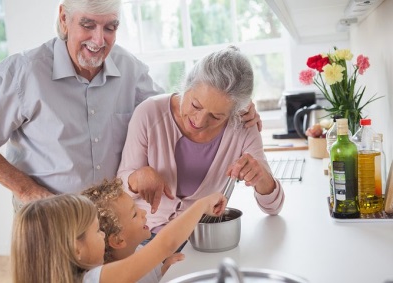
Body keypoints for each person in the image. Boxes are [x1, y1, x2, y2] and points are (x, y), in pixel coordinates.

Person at [0, 0, 261, 209]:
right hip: (50, 220)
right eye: (88, 25)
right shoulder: (25, 73)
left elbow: (175, 113)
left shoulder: (129, 69)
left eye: (110, 27)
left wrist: (238, 108)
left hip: (113, 223)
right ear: (63, 18)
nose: (99, 40)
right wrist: (28, 191)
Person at [117, 46, 285, 240]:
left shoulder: (243, 125)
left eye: (216, 116)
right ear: (187, 86)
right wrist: (137, 178)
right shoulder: (149, 113)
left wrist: (261, 177)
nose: (199, 121)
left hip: (201, 240)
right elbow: (120, 189)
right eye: (195, 105)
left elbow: (273, 207)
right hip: (143, 238)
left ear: (235, 111)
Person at [11, 191, 227, 283]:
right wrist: (200, 206)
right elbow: (165, 244)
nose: (103, 235)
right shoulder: (93, 279)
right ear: (76, 249)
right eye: (97, 231)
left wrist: (161, 271)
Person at [81, 178, 183, 283]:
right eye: (134, 214)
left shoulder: (140, 250)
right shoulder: (110, 279)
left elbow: (155, 278)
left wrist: (164, 271)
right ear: (118, 240)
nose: (143, 212)